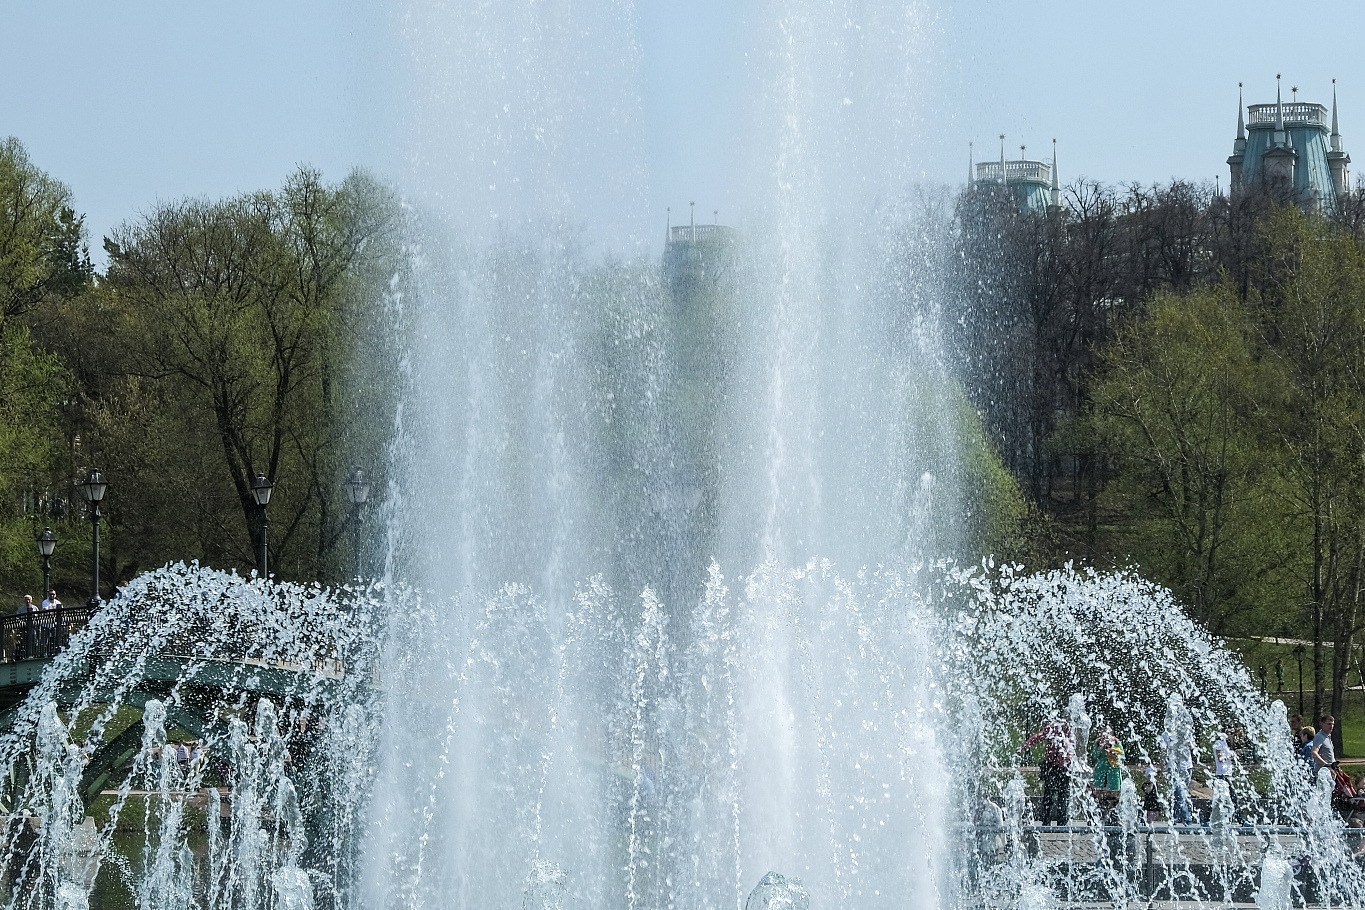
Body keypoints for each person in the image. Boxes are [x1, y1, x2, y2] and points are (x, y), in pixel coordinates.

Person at [1022, 713, 1075, 827]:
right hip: (1052, 766)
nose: (1068, 720)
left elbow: (1071, 747)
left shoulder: (1070, 729)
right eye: (1067, 717)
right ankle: (1046, 821)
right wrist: (1027, 745)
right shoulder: (1053, 727)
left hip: (1065, 767)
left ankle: (1062, 822)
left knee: (1063, 795)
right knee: (1049, 794)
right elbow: (1039, 736)